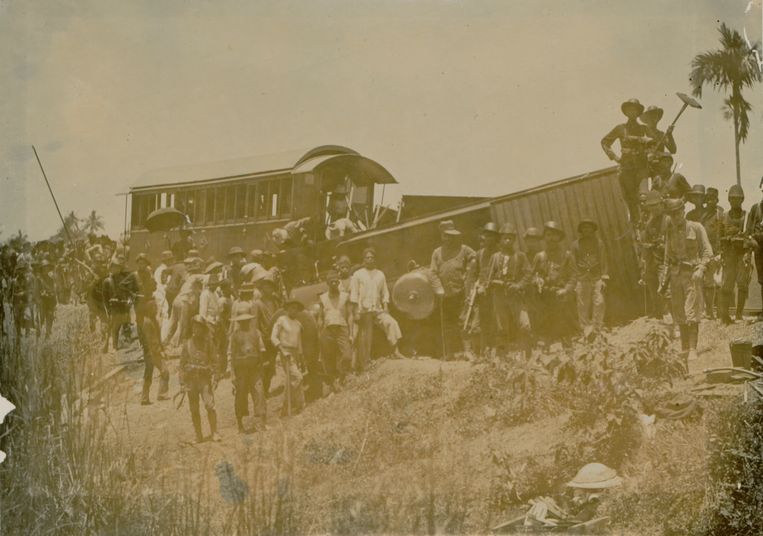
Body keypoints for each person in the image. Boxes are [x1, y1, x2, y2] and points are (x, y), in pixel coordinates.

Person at [663, 198, 713, 364]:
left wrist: (701, 268)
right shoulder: (669, 231)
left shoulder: (696, 227)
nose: (675, 217)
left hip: (691, 275)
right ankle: (684, 348)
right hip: (675, 276)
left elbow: (707, 251)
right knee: (680, 314)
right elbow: (666, 257)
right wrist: (663, 280)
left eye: (678, 213)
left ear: (683, 211)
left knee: (691, 312)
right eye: (672, 214)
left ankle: (692, 349)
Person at [349, 248, 405, 370]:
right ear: (363, 260)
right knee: (365, 336)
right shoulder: (358, 275)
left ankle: (395, 351)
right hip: (363, 311)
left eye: (372, 257)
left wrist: (385, 306)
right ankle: (364, 363)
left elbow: (385, 292)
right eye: (367, 258)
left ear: (375, 259)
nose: (369, 260)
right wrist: (356, 312)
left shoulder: (380, 274)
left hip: (378, 309)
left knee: (391, 323)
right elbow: (354, 294)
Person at [430, 221, 476, 358]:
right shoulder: (437, 253)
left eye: (451, 235)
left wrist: (470, 268)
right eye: (446, 236)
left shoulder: (464, 249)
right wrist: (439, 289)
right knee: (447, 324)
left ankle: (468, 351)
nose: (449, 238)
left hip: (461, 292)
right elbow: (432, 273)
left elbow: (475, 257)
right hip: (445, 295)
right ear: (441, 236)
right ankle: (449, 353)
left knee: (464, 320)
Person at [601, 98, 651, 222]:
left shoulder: (644, 129)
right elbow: (605, 142)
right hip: (627, 169)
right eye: (630, 109)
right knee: (630, 200)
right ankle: (636, 228)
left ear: (638, 112)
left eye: (634, 109)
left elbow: (654, 144)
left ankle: (648, 226)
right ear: (626, 112)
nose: (632, 112)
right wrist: (614, 157)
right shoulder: (620, 128)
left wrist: (648, 147)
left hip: (641, 168)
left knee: (644, 198)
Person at [489, 223, 532, 357]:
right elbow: (488, 279)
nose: (508, 241)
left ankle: (527, 355)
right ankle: (502, 358)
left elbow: (528, 274)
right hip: (499, 296)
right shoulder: (495, 257)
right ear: (500, 240)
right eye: (505, 238)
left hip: (516, 295)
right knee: (502, 328)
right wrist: (497, 282)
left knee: (524, 325)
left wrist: (518, 285)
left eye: (510, 238)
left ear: (514, 240)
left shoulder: (520, 256)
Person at [531, 221, 577, 346]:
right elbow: (533, 275)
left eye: (554, 235)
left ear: (559, 238)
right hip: (545, 297)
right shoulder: (539, 256)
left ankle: (569, 353)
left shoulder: (567, 255)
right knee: (546, 328)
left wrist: (566, 290)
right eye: (548, 235)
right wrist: (537, 280)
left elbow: (574, 276)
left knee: (566, 329)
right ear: (544, 237)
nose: (551, 238)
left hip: (561, 295)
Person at [179, 315, 220, 443]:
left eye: (199, 327)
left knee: (209, 406)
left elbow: (215, 361)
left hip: (204, 380)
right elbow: (181, 365)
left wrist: (216, 376)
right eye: (195, 326)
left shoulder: (208, 343)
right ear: (192, 328)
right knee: (194, 409)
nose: (197, 329)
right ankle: (198, 435)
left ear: (203, 329)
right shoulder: (187, 344)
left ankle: (215, 432)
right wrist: (181, 383)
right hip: (191, 381)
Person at [464, 223, 501, 358]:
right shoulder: (479, 254)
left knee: (497, 324)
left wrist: (490, 285)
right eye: (486, 235)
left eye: (491, 236)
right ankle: (481, 353)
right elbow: (472, 275)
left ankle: (496, 353)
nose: (487, 238)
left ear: (496, 238)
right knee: (478, 324)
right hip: (481, 296)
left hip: (497, 295)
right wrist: (471, 292)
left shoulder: (500, 255)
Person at [718, 185, 753, 323]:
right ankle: (724, 315)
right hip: (729, 253)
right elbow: (719, 236)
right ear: (728, 200)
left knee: (742, 284)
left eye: (737, 199)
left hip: (743, 252)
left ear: (742, 200)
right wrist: (727, 240)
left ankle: (739, 314)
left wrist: (742, 238)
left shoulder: (747, 215)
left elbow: (749, 234)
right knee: (727, 284)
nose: (734, 201)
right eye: (732, 199)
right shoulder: (724, 216)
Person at [229, 312, 267, 432]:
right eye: (241, 321)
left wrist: (261, 367)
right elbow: (230, 354)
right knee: (240, 395)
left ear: (250, 321)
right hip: (241, 370)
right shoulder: (234, 336)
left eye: (246, 321)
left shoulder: (256, 333)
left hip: (254, 368)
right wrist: (233, 373)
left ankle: (262, 423)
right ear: (239, 322)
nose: (244, 323)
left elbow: (261, 350)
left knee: (259, 393)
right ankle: (240, 425)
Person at [571, 219, 609, 335]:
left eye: (589, 227)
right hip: (582, 278)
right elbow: (573, 262)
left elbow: (603, 260)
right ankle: (585, 329)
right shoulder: (575, 244)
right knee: (583, 304)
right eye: (584, 227)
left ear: (593, 229)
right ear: (581, 230)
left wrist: (603, 277)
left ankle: (597, 326)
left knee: (599, 301)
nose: (586, 229)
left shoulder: (599, 243)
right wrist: (576, 278)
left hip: (596, 276)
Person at [270, 300, 307, 416]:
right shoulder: (281, 320)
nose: (294, 310)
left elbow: (299, 343)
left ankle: (286, 408)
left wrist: (301, 359)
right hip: (285, 352)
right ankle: (301, 406)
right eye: (292, 308)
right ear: (287, 309)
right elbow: (273, 337)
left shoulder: (298, 324)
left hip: (295, 353)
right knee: (298, 377)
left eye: (296, 308)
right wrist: (281, 350)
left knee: (291, 381)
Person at [318, 270, 353, 388]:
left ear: (339, 282)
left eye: (336, 281)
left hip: (342, 329)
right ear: (327, 283)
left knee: (347, 356)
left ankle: (342, 376)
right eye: (331, 282)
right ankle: (333, 383)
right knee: (328, 358)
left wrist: (351, 333)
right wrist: (319, 333)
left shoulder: (345, 296)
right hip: (327, 330)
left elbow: (350, 315)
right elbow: (320, 317)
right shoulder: (322, 298)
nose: (334, 283)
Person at [637, 191, 668, 319]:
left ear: (661, 204)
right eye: (651, 206)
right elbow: (646, 240)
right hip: (652, 259)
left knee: (664, 288)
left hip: (665, 260)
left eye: (656, 205)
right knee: (651, 284)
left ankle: (668, 314)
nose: (654, 209)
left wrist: (663, 245)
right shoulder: (650, 222)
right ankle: (657, 312)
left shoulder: (668, 220)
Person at [102, 256, 137, 352]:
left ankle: (128, 344)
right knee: (115, 328)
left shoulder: (125, 279)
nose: (116, 269)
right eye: (114, 267)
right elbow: (105, 298)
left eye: (117, 267)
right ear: (111, 268)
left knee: (127, 325)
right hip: (114, 308)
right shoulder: (107, 282)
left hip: (124, 306)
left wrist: (129, 302)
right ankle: (114, 346)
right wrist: (108, 310)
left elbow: (131, 293)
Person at [139, 300, 170, 405]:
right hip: (151, 353)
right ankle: (147, 397)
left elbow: (158, 338)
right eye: (154, 308)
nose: (156, 310)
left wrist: (162, 349)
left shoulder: (154, 321)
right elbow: (149, 341)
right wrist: (158, 351)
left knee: (159, 373)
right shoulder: (147, 322)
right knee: (155, 373)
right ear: (149, 309)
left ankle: (156, 395)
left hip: (155, 352)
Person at [700, 187, 724, 319]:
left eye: (712, 199)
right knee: (707, 283)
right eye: (708, 199)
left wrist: (720, 252)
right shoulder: (703, 216)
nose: (710, 201)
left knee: (719, 283)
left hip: (717, 253)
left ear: (716, 200)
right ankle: (709, 311)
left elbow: (721, 233)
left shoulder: (720, 214)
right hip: (706, 253)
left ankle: (720, 312)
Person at [746, 176, 763, 317]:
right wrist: (752, 241)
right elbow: (749, 230)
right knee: (762, 279)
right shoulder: (756, 208)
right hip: (760, 248)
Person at [35, 259, 57, 337]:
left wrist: (53, 296)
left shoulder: (51, 278)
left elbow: (54, 289)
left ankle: (48, 333)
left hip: (50, 300)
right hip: (42, 300)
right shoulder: (38, 279)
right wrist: (39, 298)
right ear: (41, 269)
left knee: (50, 316)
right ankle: (39, 331)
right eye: (44, 267)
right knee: (41, 317)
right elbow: (36, 290)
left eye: (47, 267)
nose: (46, 269)